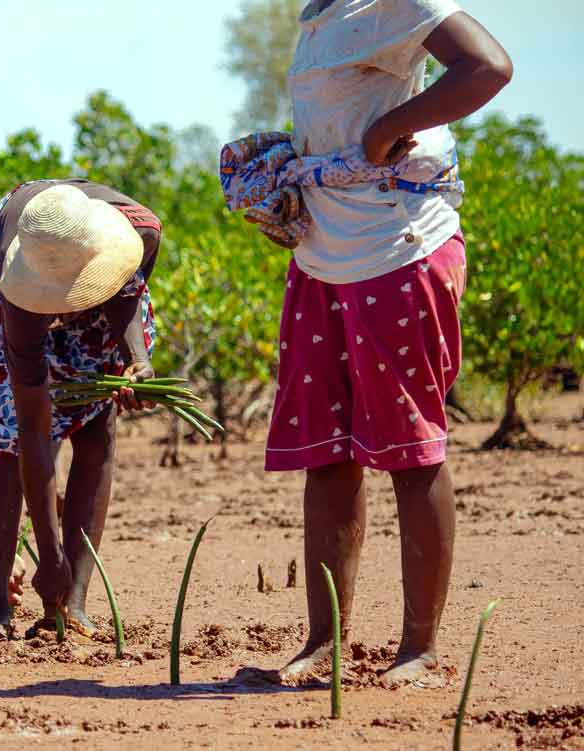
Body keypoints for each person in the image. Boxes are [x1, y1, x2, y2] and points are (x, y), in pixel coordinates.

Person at [225, 0, 511, 686]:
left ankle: (420, 650)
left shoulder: (397, 2)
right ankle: (322, 643)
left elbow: (489, 67)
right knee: (326, 455)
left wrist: (392, 127)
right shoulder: (319, 15)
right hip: (324, 258)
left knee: (412, 452)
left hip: (398, 248)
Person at [0, 180, 161, 638]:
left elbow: (126, 292)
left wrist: (137, 362)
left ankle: (74, 601)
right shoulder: (19, 290)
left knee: (96, 428)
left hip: (100, 272)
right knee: (8, 435)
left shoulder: (142, 232)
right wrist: (47, 556)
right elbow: (34, 430)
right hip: (20, 283)